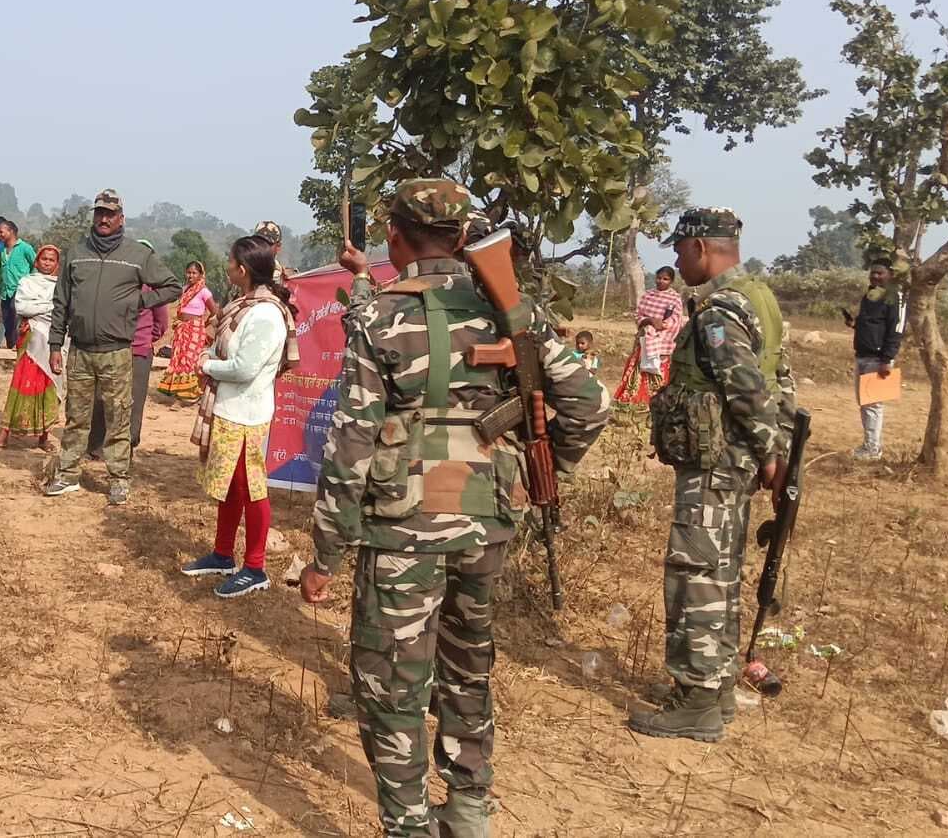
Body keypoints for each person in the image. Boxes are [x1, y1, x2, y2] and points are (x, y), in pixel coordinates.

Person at [298, 180, 609, 838]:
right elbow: (589, 403)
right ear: (463, 237)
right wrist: (534, 470)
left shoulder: (379, 314)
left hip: (405, 524)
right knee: (468, 666)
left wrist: (326, 552)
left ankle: (408, 826)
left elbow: (351, 443)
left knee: (391, 687)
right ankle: (468, 810)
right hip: (487, 519)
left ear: (394, 236)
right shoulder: (507, 309)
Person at [630, 207, 796, 744]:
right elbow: (782, 380)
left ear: (701, 246)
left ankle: (697, 700)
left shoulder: (720, 309)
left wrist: (772, 453)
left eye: (680, 251)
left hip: (717, 463)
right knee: (721, 574)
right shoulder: (760, 298)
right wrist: (779, 450)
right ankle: (718, 689)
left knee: (696, 577)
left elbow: (745, 386)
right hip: (737, 464)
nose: (677, 262)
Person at [42, 189, 182, 505]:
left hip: (118, 351)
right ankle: (67, 475)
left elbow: (172, 286)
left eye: (110, 214)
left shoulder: (137, 255)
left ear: (121, 218)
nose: (104, 219)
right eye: (99, 213)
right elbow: (61, 301)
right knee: (76, 416)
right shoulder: (76, 253)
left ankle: (118, 479)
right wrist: (54, 345)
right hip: (79, 350)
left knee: (119, 416)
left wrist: (138, 301)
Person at [179, 237, 298, 598]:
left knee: (251, 490)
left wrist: (207, 364)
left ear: (242, 270)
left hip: (247, 414)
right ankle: (222, 553)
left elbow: (244, 368)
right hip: (230, 410)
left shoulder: (264, 314)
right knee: (230, 486)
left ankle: (255, 566)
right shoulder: (242, 305)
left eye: (230, 261)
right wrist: (210, 355)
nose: (227, 265)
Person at [0, 245, 63, 451]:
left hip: (54, 341)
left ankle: (44, 438)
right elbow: (22, 307)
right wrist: (50, 307)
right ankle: (4, 435)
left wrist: (41, 309)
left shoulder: (62, 286)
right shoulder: (27, 282)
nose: (47, 263)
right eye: (43, 259)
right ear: (36, 261)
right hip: (30, 340)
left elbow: (63, 312)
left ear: (57, 264)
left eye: (51, 260)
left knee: (49, 385)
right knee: (22, 383)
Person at [89, 258, 169, 457]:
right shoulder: (113, 285)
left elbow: (162, 321)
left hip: (139, 351)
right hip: (110, 348)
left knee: (134, 399)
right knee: (101, 396)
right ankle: (97, 445)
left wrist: (145, 338)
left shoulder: (152, 289)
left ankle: (128, 445)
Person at [843, 260, 904, 460]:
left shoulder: (894, 298)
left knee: (873, 405)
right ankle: (869, 445)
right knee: (864, 403)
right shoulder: (869, 296)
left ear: (890, 275)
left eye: (880, 273)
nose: (875, 276)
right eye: (873, 273)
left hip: (878, 359)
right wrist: (854, 324)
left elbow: (896, 329)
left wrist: (887, 358)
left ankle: (872, 449)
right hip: (862, 355)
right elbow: (871, 324)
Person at [616, 266, 685, 404]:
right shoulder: (648, 295)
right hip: (644, 339)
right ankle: (633, 400)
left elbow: (676, 319)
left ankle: (656, 402)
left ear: (671, 281)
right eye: (659, 278)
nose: (661, 281)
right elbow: (639, 315)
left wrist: (663, 326)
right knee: (639, 368)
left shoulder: (675, 298)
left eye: (665, 279)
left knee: (658, 371)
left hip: (663, 341)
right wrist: (649, 322)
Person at [155, 261, 215, 404]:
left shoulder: (204, 292)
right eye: (188, 272)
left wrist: (203, 325)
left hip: (194, 330)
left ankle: (191, 395)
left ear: (201, 275)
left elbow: (214, 312)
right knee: (179, 360)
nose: (190, 276)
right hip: (181, 330)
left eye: (194, 273)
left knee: (190, 361)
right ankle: (178, 393)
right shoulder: (185, 290)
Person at [0, 218, 37, 350]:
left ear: (11, 231)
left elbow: (35, 265)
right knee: (7, 322)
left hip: (20, 291)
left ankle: (20, 348)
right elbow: (0, 270)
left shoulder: (25, 248)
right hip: (5, 292)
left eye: (2, 231)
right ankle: (10, 349)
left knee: (18, 320)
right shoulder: (1, 251)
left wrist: (31, 283)